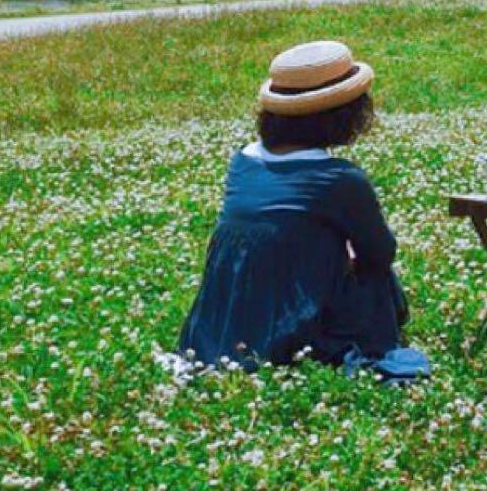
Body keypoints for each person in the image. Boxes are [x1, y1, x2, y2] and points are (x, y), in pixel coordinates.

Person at [178, 39, 420, 375]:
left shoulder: (242, 162)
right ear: (344, 114)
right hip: (289, 326)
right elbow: (379, 252)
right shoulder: (339, 178)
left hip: (223, 321)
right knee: (376, 277)